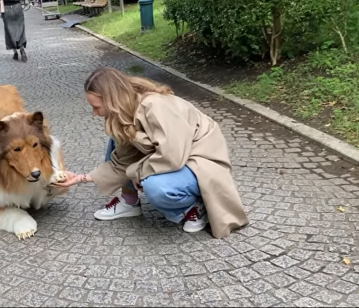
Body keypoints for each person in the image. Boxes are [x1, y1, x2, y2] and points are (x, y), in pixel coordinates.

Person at [54, 67, 249, 238]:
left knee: (156, 187)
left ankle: (196, 205)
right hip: (176, 158)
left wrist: (137, 172)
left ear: (112, 100)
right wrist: (80, 178)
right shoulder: (123, 114)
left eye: (96, 107)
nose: (94, 113)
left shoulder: (155, 105)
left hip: (200, 160)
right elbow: (121, 162)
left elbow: (172, 156)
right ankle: (129, 201)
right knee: (116, 139)